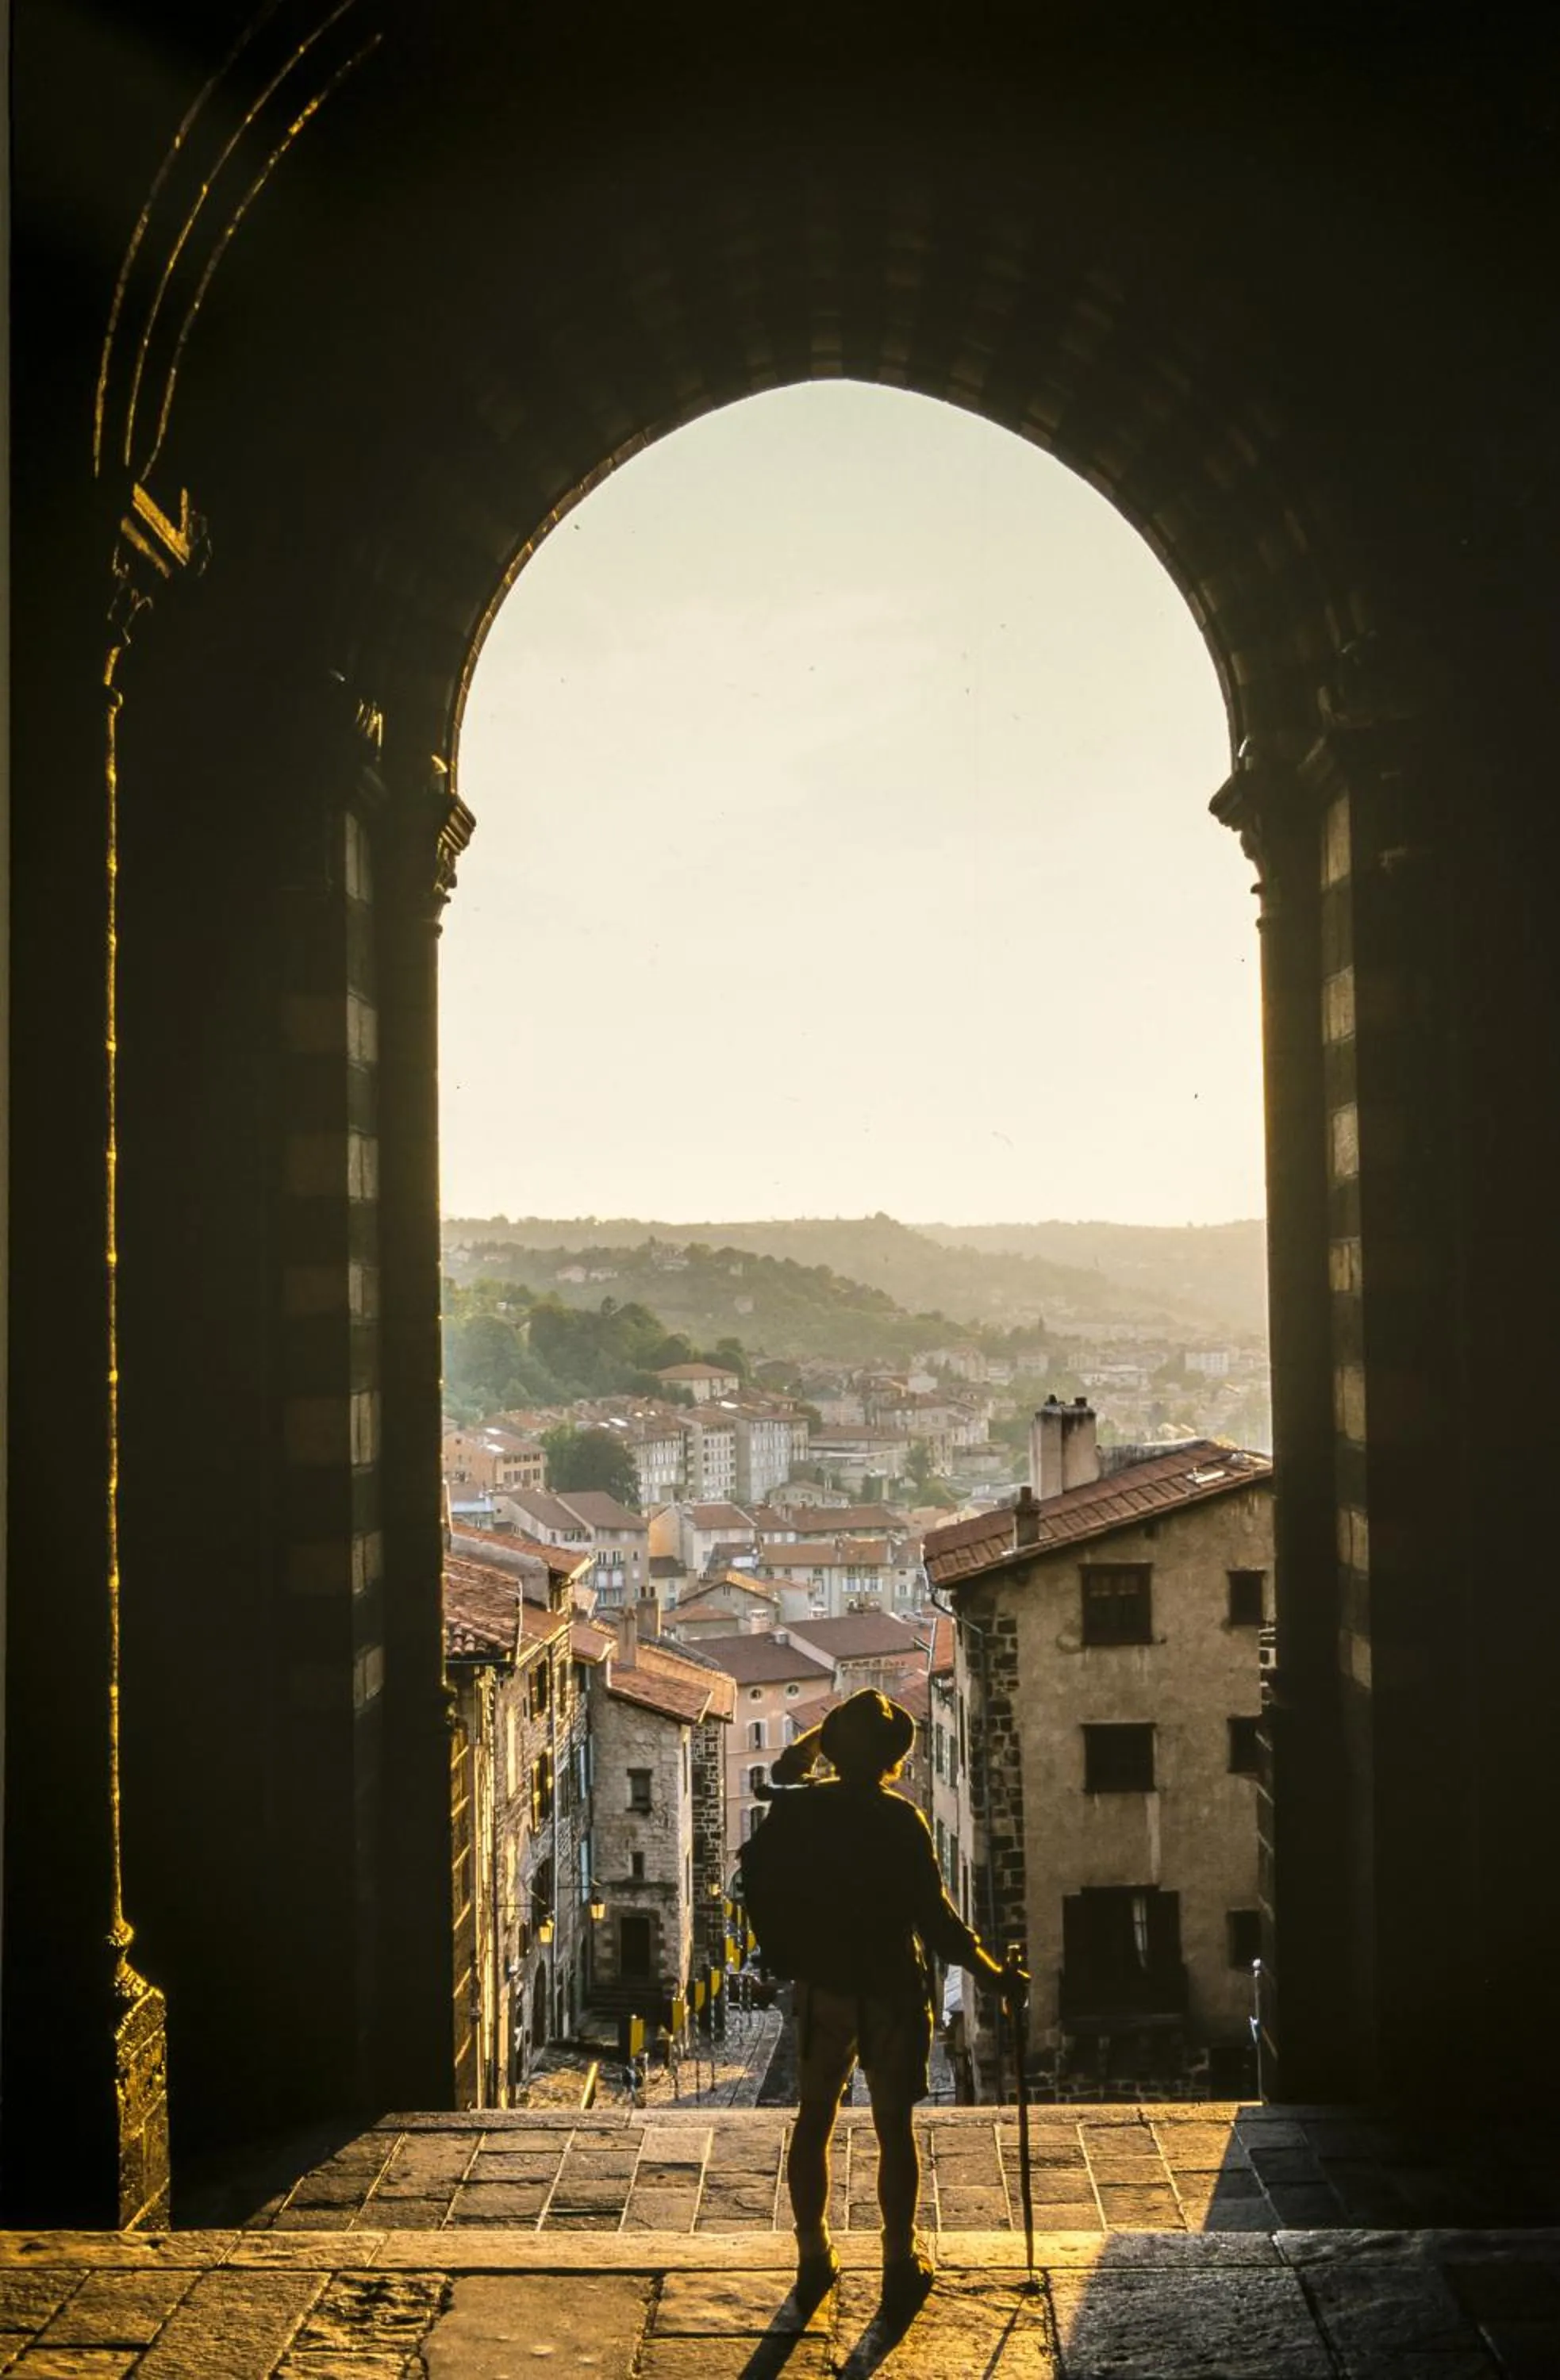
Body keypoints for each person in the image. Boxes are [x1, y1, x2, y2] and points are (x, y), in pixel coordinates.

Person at [764, 1687, 1027, 2317]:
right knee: (893, 2132)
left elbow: (782, 1772)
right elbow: (935, 1920)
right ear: (893, 1758)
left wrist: (820, 1740)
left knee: (814, 2120)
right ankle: (898, 2260)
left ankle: (813, 2255)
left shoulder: (803, 1807)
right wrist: (992, 1975)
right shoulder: (898, 1820)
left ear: (833, 1749)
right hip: (889, 1988)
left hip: (823, 1984)